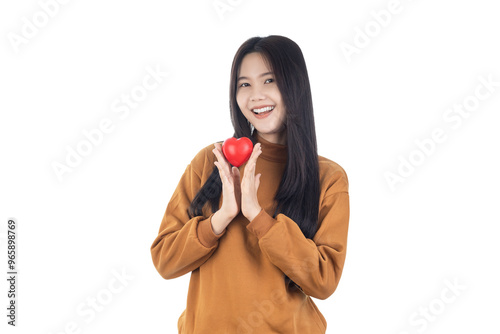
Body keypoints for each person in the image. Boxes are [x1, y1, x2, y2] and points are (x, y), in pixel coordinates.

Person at [150, 35, 350, 334]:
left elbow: (323, 280)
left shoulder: (327, 177)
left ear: (294, 86)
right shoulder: (212, 161)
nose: (256, 95)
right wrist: (220, 219)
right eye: (244, 84)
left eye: (269, 81)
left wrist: (258, 217)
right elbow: (165, 261)